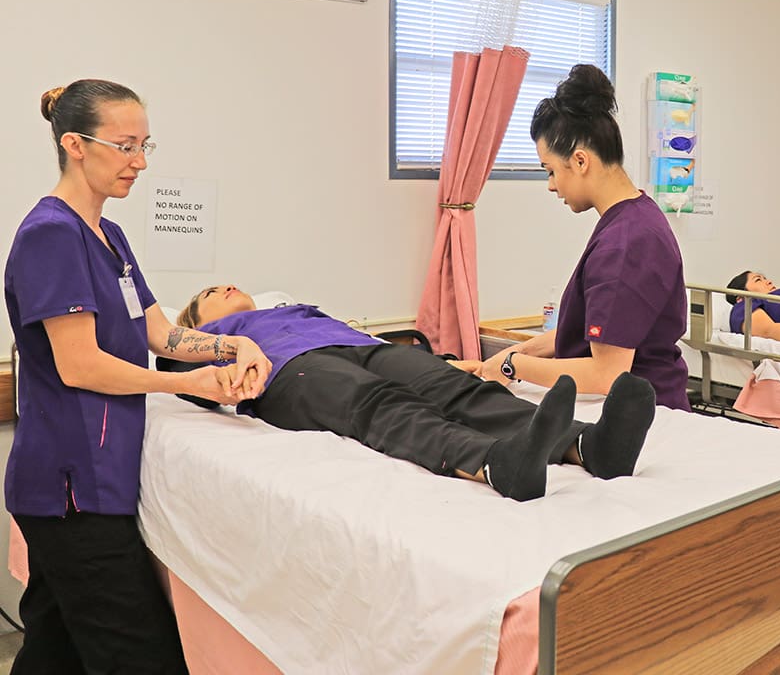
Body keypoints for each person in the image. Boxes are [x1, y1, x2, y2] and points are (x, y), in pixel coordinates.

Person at [4, 79, 272, 674]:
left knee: (55, 649)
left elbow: (160, 333)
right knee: (140, 656)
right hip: (70, 487)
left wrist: (231, 345)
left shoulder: (110, 235)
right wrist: (187, 384)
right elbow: (79, 364)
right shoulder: (52, 235)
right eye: (125, 146)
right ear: (75, 144)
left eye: (144, 145)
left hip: (96, 478)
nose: (140, 162)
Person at [166, 285, 657, 500]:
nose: (226, 287)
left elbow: (367, 337)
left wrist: (445, 362)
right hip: (290, 371)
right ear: (196, 320)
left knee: (454, 387)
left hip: (361, 346)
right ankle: (494, 462)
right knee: (378, 403)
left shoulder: (297, 309)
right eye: (211, 292)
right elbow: (177, 368)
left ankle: (587, 445)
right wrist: (218, 369)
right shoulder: (206, 338)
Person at [469, 65, 689, 411]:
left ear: (581, 161)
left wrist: (514, 366)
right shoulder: (635, 217)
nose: (551, 185)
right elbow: (595, 333)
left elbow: (606, 374)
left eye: (551, 170)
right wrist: (513, 354)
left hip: (642, 416)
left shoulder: (625, 243)